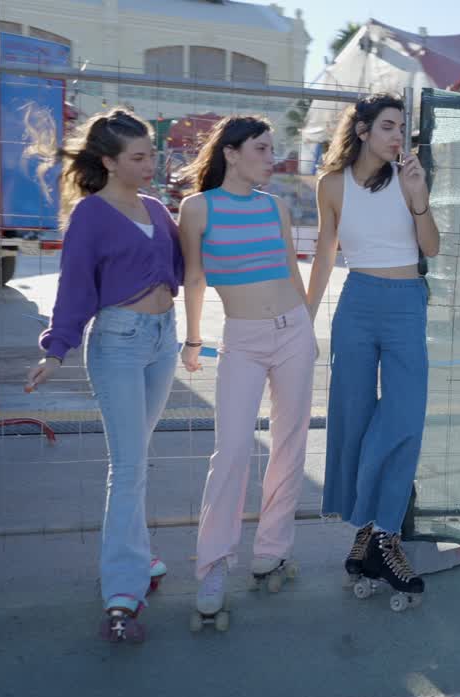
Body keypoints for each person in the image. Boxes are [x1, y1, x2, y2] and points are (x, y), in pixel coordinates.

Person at [25, 108, 184, 643]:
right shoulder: (92, 215)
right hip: (118, 343)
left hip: (164, 339)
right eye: (138, 157)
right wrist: (56, 349)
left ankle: (138, 556)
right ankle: (122, 587)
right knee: (129, 466)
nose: (149, 164)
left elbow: (187, 265)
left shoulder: (159, 210)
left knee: (139, 456)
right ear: (110, 162)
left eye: (151, 154)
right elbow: (74, 287)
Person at [177, 116, 316, 621]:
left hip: (294, 330)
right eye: (261, 148)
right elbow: (194, 278)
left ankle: (271, 549)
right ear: (231, 153)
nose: (270, 157)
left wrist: (310, 332)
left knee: (289, 441)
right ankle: (214, 562)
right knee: (232, 448)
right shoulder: (196, 208)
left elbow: (290, 269)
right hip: (242, 339)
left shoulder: (275, 207)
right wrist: (193, 339)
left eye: (271, 148)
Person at [306, 92, 440, 608]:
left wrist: (419, 195)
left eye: (401, 129)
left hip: (406, 302)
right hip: (357, 302)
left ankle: (385, 533)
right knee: (353, 418)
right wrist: (304, 319)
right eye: (387, 127)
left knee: (403, 419)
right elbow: (323, 254)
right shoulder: (332, 184)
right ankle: (366, 534)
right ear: (361, 130)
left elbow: (432, 248)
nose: (396, 137)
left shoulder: (408, 179)